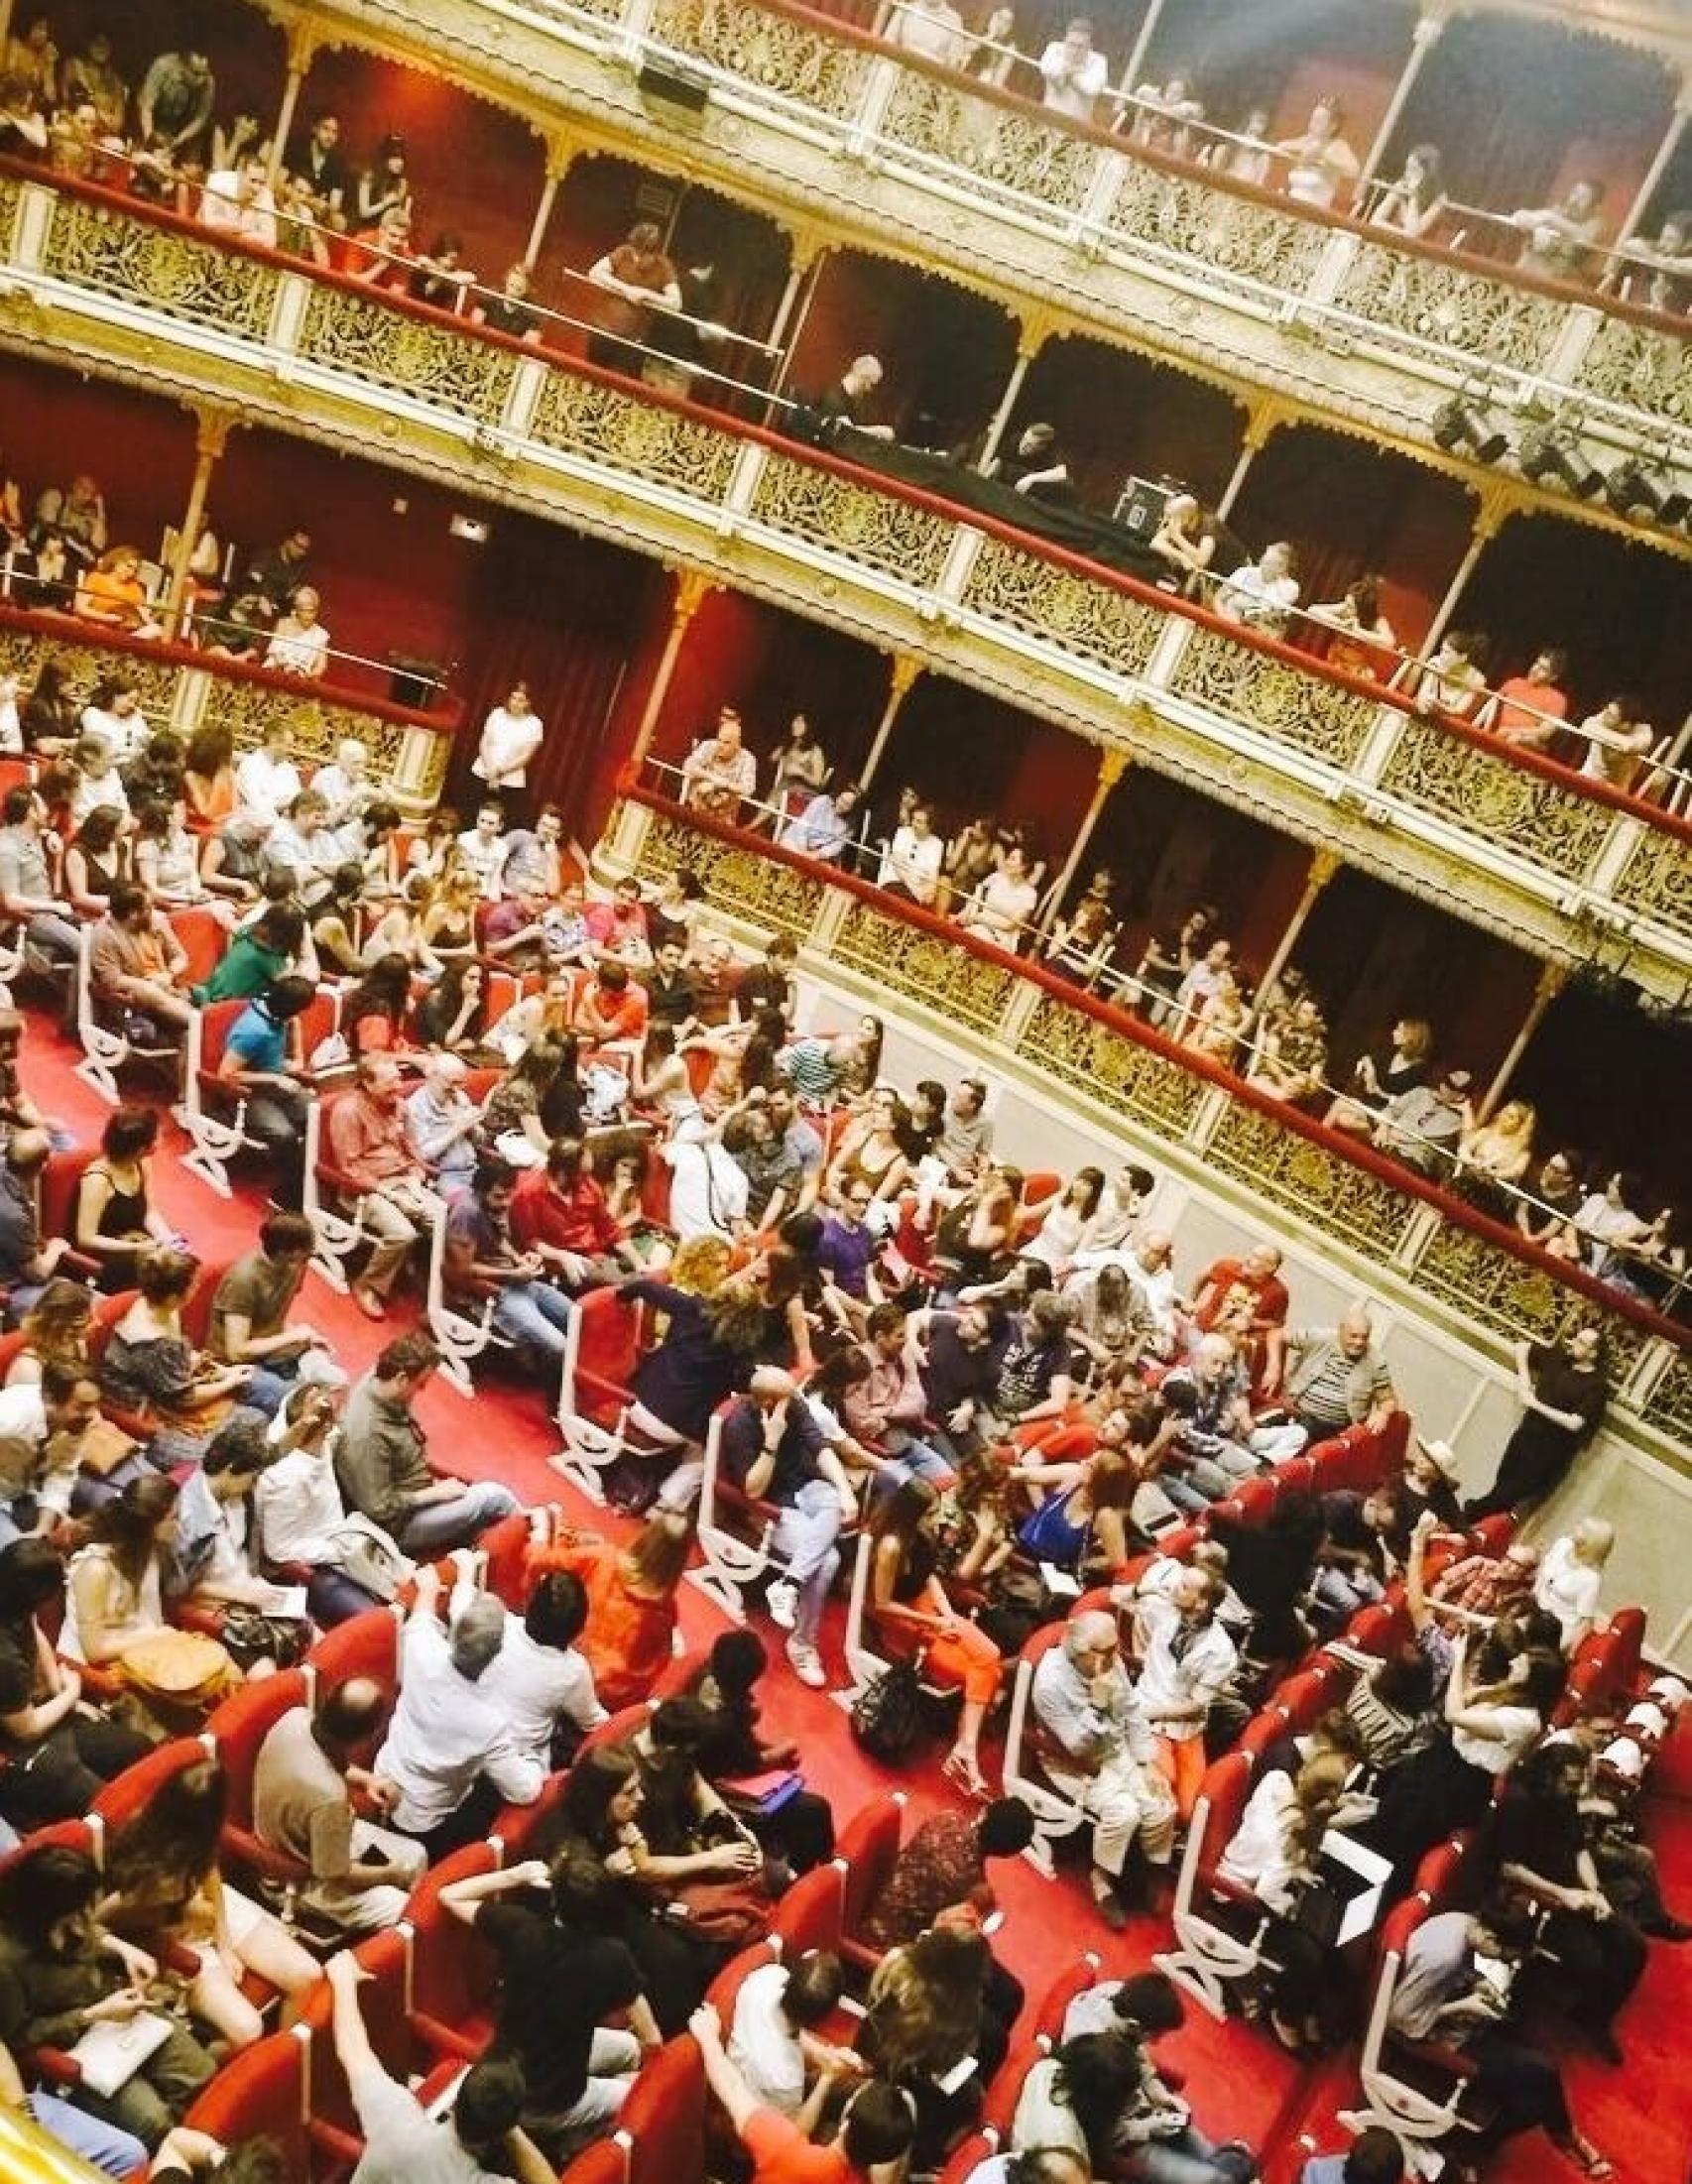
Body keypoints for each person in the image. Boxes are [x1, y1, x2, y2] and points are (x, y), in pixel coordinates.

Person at [438, 1851, 659, 2162]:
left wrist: (516, 1875)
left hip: (512, 2071)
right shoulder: (613, 1957)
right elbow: (647, 2025)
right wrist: (655, 2058)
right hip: (552, 2102)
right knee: (638, 2093)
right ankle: (570, 2142)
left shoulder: (522, 1929)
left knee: (627, 2049)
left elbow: (449, 1896)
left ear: (554, 1899)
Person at [0, 1840, 216, 2150]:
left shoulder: (73, 1915)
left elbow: (91, 1932)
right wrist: (95, 2015)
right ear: (46, 1913)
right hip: (74, 2043)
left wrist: (121, 1948)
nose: (87, 1918)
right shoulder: (7, 1962)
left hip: (116, 2010)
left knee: (201, 2075)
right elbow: (19, 2038)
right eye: (78, 1913)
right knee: (154, 2121)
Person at [101, 1755, 317, 2051]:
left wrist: (225, 1942)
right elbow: (103, 1917)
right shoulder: (149, 1865)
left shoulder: (197, 1841)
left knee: (308, 1976)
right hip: (178, 1939)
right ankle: (220, 2069)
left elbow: (210, 1873)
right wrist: (170, 1919)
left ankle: (284, 2055)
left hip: (210, 1911)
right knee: (248, 2030)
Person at [1389, 1897, 1612, 2177]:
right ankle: (1556, 2138)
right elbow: (1400, 2020)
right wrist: (1463, 2006)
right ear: (1490, 1936)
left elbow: (1449, 1975)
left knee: (1531, 2074)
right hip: (1428, 2039)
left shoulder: (1461, 1921)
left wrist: (1476, 1983)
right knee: (1542, 2081)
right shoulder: (1442, 1959)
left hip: (1441, 2013)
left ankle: (1490, 2144)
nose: (1497, 1960)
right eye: (1502, 1955)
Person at [325, 1950, 554, 2184]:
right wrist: (509, 2130)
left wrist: (343, 1980)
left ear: (456, 2103)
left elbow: (353, 2050)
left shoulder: (394, 2120)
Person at [376, 1564, 544, 1859]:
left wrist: (429, 1589)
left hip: (385, 1774)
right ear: (496, 1654)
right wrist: (534, 1759)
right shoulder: (489, 1723)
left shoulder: (423, 1651)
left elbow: (422, 1618)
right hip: (429, 1823)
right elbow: (524, 1791)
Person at [1031, 1608, 1176, 1926]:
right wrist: (1097, 1705)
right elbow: (1075, 1746)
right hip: (1075, 1763)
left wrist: (1146, 1762)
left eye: (1116, 1648)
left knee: (1163, 1805)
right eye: (1109, 1651)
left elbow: (1133, 1714)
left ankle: (1148, 1869)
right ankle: (1103, 1878)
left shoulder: (1111, 1662)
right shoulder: (1049, 1684)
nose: (1118, 1656)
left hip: (1116, 1751)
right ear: (1082, 1652)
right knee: (1125, 1812)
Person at [252, 1676, 427, 1935]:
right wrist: (390, 1875)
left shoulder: (295, 1719)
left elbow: (324, 1757)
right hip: (299, 1879)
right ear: (366, 1737)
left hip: (318, 1837)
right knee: (405, 1908)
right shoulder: (328, 1798)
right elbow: (335, 1875)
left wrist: (367, 1779)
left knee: (416, 1855)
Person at [714, 1369, 856, 1689]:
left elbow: (820, 1448)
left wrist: (846, 1490)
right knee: (829, 1561)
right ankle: (802, 1644)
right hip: (774, 1508)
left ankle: (788, 1585)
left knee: (833, 1495)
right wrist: (772, 1442)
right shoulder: (740, 1425)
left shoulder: (794, 1404)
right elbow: (752, 1491)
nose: (795, 1401)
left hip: (806, 1489)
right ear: (766, 1401)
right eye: (785, 1399)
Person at [0, 1536, 152, 1830]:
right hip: (16, 1745)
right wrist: (71, 1694)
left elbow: (35, 1632)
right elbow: (26, 1729)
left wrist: (59, 1689)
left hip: (37, 1709)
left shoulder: (13, 1598)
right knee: (112, 1813)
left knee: (136, 1747)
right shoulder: (4, 1656)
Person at [689, 1999, 915, 2184]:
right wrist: (827, 2077)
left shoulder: (785, 2147)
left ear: (846, 2119)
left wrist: (707, 2034)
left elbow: (732, 2089)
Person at [336, 1331, 521, 1556]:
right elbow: (377, 1508)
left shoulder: (381, 1384)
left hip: (415, 1493)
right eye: (420, 1385)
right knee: (494, 1497)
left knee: (481, 1507)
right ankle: (534, 1535)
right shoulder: (366, 1434)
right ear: (401, 1379)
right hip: (396, 1527)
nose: (420, 1392)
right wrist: (433, 1494)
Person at [526, 1507, 693, 1711]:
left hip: (566, 1673)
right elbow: (657, 1668)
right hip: (614, 1703)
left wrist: (541, 1532)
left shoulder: (603, 1558)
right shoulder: (667, 1611)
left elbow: (538, 1562)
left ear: (647, 1535)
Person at [1462, 1328, 1607, 1520]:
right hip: (1526, 1436)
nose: (1573, 1343)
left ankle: (1468, 1516)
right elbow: (1521, 1348)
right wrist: (1525, 1381)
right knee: (1502, 1488)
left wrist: (1535, 1404)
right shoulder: (1559, 1358)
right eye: (1575, 1338)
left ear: (1593, 1353)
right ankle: (1471, 1522)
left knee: (1509, 1497)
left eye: (1581, 1342)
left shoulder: (1597, 1385)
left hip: (1550, 1453)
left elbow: (1575, 1423)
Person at [443, 1156, 573, 1364]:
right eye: (499, 1197)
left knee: (579, 1318)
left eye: (508, 1196)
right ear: (480, 1191)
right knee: (560, 1345)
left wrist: (520, 1259)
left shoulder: (491, 1206)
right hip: (499, 1292)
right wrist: (513, 1273)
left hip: (521, 1282)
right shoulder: (466, 1213)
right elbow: (463, 1269)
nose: (505, 1203)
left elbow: (498, 1241)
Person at [587, 220, 681, 371]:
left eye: (645, 252)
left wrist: (646, 294)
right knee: (591, 372)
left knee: (620, 381)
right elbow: (594, 273)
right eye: (637, 250)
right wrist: (626, 289)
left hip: (634, 338)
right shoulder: (623, 252)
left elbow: (675, 303)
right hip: (605, 328)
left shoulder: (663, 266)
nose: (639, 256)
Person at [1533, 1517, 1614, 1648]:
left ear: (1591, 1541)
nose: (1576, 1526)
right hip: (1536, 1609)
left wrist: (1568, 1651)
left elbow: (1586, 1621)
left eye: (1582, 1527)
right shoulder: (1563, 1543)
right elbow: (1543, 1574)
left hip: (1559, 1627)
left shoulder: (1591, 1579)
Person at [1511, 179, 1604, 283]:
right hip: (1520, 275)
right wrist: (1538, 228)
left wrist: (1550, 219)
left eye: (1583, 198)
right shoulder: (1557, 211)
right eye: (1574, 193)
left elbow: (1585, 236)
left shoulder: (1595, 224)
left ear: (1594, 206)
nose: (1574, 200)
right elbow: (1519, 216)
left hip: (1552, 287)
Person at [473, 682, 545, 813]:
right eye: (513, 698)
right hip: (483, 772)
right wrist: (490, 770)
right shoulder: (497, 714)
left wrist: (500, 772)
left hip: (510, 782)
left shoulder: (535, 724)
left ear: (528, 703)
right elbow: (484, 742)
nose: (515, 703)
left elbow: (526, 756)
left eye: (520, 700)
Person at [1275, 97, 1359, 210]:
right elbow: (1281, 146)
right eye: (1312, 119)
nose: (1312, 124)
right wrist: (1304, 150)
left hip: (1314, 211)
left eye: (1319, 121)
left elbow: (1354, 170)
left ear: (1333, 126)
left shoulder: (1338, 146)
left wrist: (1326, 158)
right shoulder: (1306, 141)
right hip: (1291, 206)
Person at [1038, 19, 1108, 124]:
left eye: (1080, 46)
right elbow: (1046, 69)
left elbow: (1092, 89)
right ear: (1065, 40)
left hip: (1077, 130)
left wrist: (1068, 74)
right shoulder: (1054, 48)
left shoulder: (1099, 61)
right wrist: (1075, 71)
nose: (1074, 51)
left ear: (1090, 47)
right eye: (1071, 44)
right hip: (1047, 121)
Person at [1370, 144, 1446, 240]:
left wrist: (1415, 196)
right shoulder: (1402, 183)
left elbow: (1412, 233)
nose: (1407, 173)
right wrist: (1399, 233)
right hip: (1391, 239)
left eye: (1413, 170)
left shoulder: (1440, 197)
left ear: (1427, 175)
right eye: (1407, 168)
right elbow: (1375, 220)